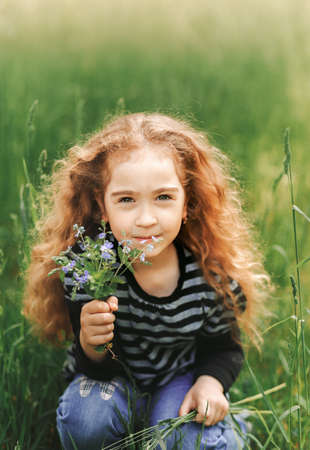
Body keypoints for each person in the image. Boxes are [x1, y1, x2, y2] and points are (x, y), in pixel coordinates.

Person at [23, 112, 270, 449]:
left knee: (189, 438)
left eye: (163, 197)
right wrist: (91, 343)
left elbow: (224, 347)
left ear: (187, 204)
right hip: (112, 379)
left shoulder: (208, 277)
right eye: (126, 200)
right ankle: (135, 421)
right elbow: (95, 366)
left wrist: (210, 383)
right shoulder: (89, 270)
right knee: (87, 423)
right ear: (103, 206)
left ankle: (222, 426)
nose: (145, 219)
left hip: (178, 380)